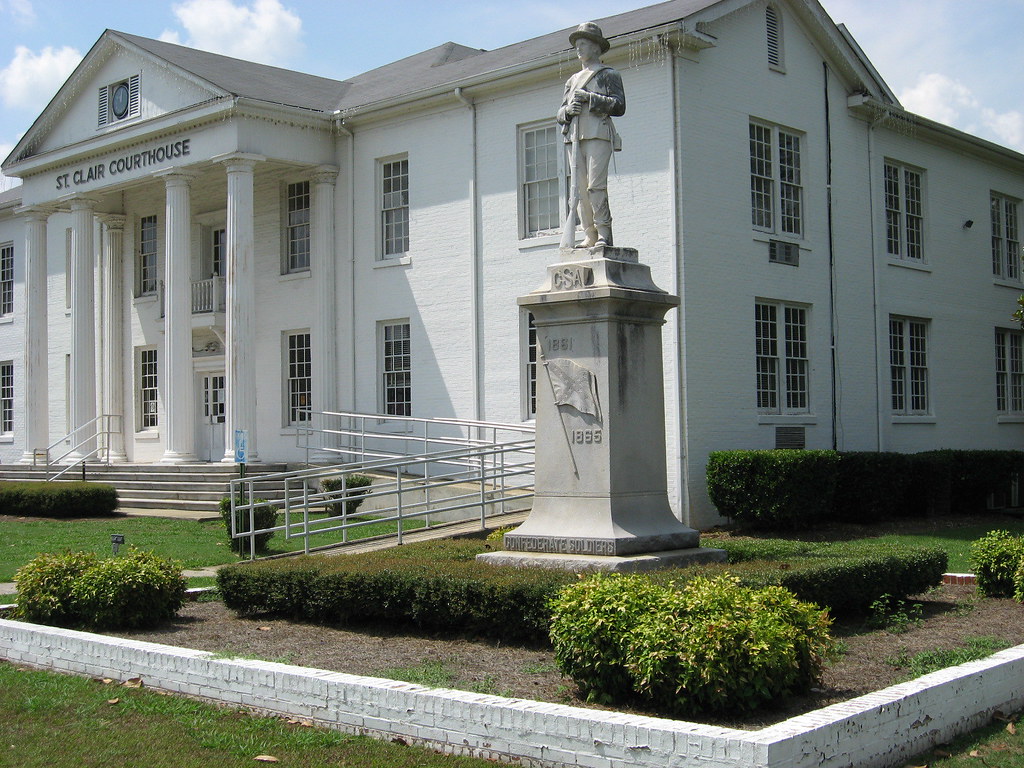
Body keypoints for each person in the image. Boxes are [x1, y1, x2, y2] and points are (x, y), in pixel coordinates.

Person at [557, 22, 625, 248]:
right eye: (577, 45)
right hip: (574, 137)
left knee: (595, 186)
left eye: (583, 43)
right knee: (578, 190)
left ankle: (604, 231)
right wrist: (568, 111)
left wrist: (590, 99)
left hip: (598, 133)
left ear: (596, 47)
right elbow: (559, 113)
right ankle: (589, 233)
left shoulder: (608, 75)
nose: (579, 49)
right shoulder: (572, 80)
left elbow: (619, 106)